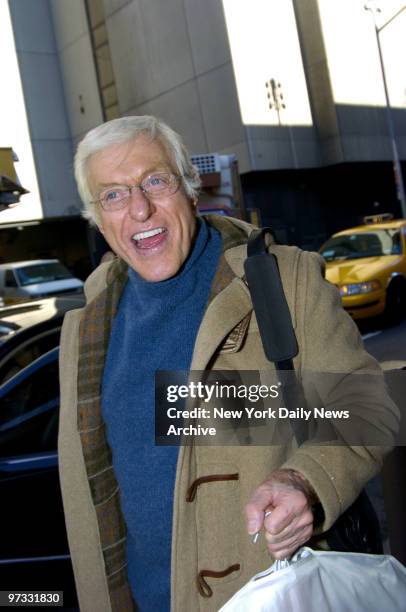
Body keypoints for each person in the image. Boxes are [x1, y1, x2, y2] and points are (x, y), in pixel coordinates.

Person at [59, 115, 398, 612]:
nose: (139, 207)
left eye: (156, 180)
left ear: (190, 188)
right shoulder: (86, 328)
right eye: (112, 194)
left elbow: (366, 406)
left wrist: (304, 480)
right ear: (96, 217)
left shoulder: (285, 280)